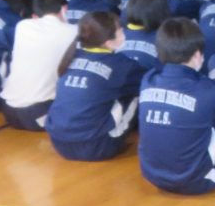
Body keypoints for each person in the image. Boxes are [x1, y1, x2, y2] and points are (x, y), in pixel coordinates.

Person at [137, 18, 215, 195]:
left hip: (151, 175)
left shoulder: (148, 79)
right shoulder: (210, 89)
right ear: (196, 55)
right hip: (200, 181)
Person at [46, 12, 147, 161]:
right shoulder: (121, 65)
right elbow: (146, 83)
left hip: (58, 142)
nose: (124, 33)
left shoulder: (72, 56)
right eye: (120, 30)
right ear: (108, 42)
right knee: (137, 94)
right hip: (96, 146)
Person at [1, 0, 78, 130]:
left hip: (9, 111)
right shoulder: (73, 31)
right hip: (40, 114)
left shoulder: (23, 26)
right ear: (64, 9)